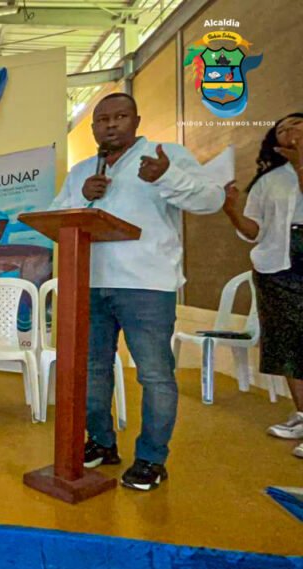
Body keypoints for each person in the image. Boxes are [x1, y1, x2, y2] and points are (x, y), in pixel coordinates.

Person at [51, 93, 224, 490]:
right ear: (93, 127)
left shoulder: (166, 156)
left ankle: (151, 459)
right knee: (93, 370)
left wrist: (166, 176)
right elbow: (56, 215)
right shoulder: (81, 171)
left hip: (147, 286)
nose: (111, 125)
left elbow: (211, 200)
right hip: (90, 283)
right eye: (102, 120)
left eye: (120, 116)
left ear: (136, 120)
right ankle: (102, 441)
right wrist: (82, 196)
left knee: (154, 375)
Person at [222, 112, 303, 458]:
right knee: (287, 344)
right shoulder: (269, 180)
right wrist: (230, 210)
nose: (288, 130)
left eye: (296, 124)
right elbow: (254, 231)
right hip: (277, 267)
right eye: (281, 129)